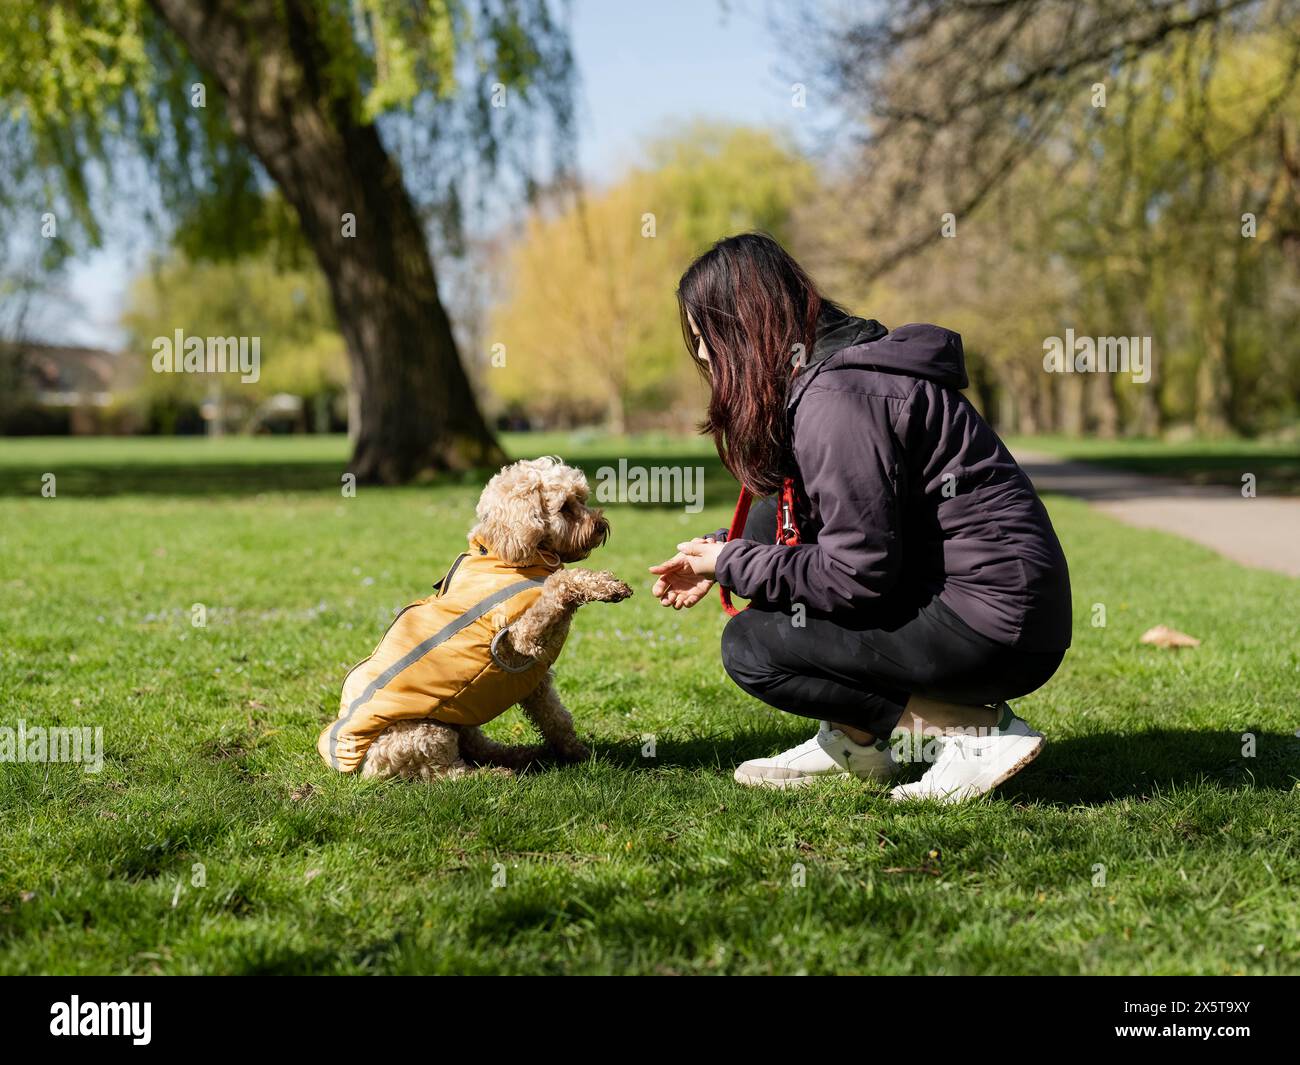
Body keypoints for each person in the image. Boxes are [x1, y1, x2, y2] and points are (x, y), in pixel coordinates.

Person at [648, 233, 1072, 802]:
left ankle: (972, 736)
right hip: (997, 605)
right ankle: (855, 739)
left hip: (993, 622)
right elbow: (826, 521)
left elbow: (856, 574)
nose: (702, 356)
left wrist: (734, 562)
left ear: (745, 327)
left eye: (706, 338)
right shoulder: (837, 376)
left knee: (754, 645)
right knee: (763, 527)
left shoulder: (837, 399)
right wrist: (721, 552)